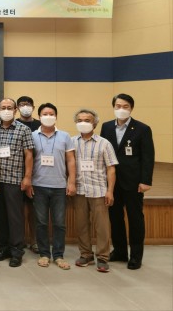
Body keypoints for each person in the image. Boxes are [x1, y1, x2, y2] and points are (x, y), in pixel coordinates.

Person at [100, 93, 155, 270]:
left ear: (131, 108)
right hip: (112, 182)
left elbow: (148, 157)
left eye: (125, 106)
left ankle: (136, 256)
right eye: (118, 106)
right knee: (115, 217)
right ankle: (120, 251)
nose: (121, 109)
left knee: (135, 219)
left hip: (133, 182)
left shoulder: (142, 129)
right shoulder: (106, 127)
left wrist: (145, 180)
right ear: (113, 107)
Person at [0, 98, 34, 267]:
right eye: (3, 107)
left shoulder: (23, 129)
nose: (6, 110)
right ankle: (3, 248)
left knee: (15, 218)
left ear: (15, 110)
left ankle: (16, 251)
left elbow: (29, 154)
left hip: (14, 180)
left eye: (9, 108)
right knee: (0, 217)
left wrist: (27, 177)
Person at [72, 108, 118, 273]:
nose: (83, 123)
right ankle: (86, 254)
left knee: (102, 226)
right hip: (79, 190)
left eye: (87, 120)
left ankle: (103, 257)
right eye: (80, 120)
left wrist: (110, 191)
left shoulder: (104, 143)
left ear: (95, 123)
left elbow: (111, 169)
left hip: (98, 190)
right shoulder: (71, 142)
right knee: (82, 224)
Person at [32, 103, 76, 270]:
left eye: (51, 113)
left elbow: (71, 160)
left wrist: (71, 182)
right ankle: (44, 254)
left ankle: (58, 255)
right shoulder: (32, 135)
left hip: (59, 186)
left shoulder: (65, 136)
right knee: (41, 222)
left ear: (56, 117)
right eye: (45, 114)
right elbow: (27, 160)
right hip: (38, 185)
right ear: (39, 116)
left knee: (59, 223)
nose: (48, 116)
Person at [16, 96, 40, 253]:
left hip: (36, 172)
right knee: (18, 210)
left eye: (28, 104)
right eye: (22, 104)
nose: (25, 107)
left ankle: (35, 241)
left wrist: (29, 176)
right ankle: (20, 240)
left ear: (33, 107)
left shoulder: (40, 125)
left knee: (34, 210)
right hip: (16, 172)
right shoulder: (14, 124)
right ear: (17, 108)